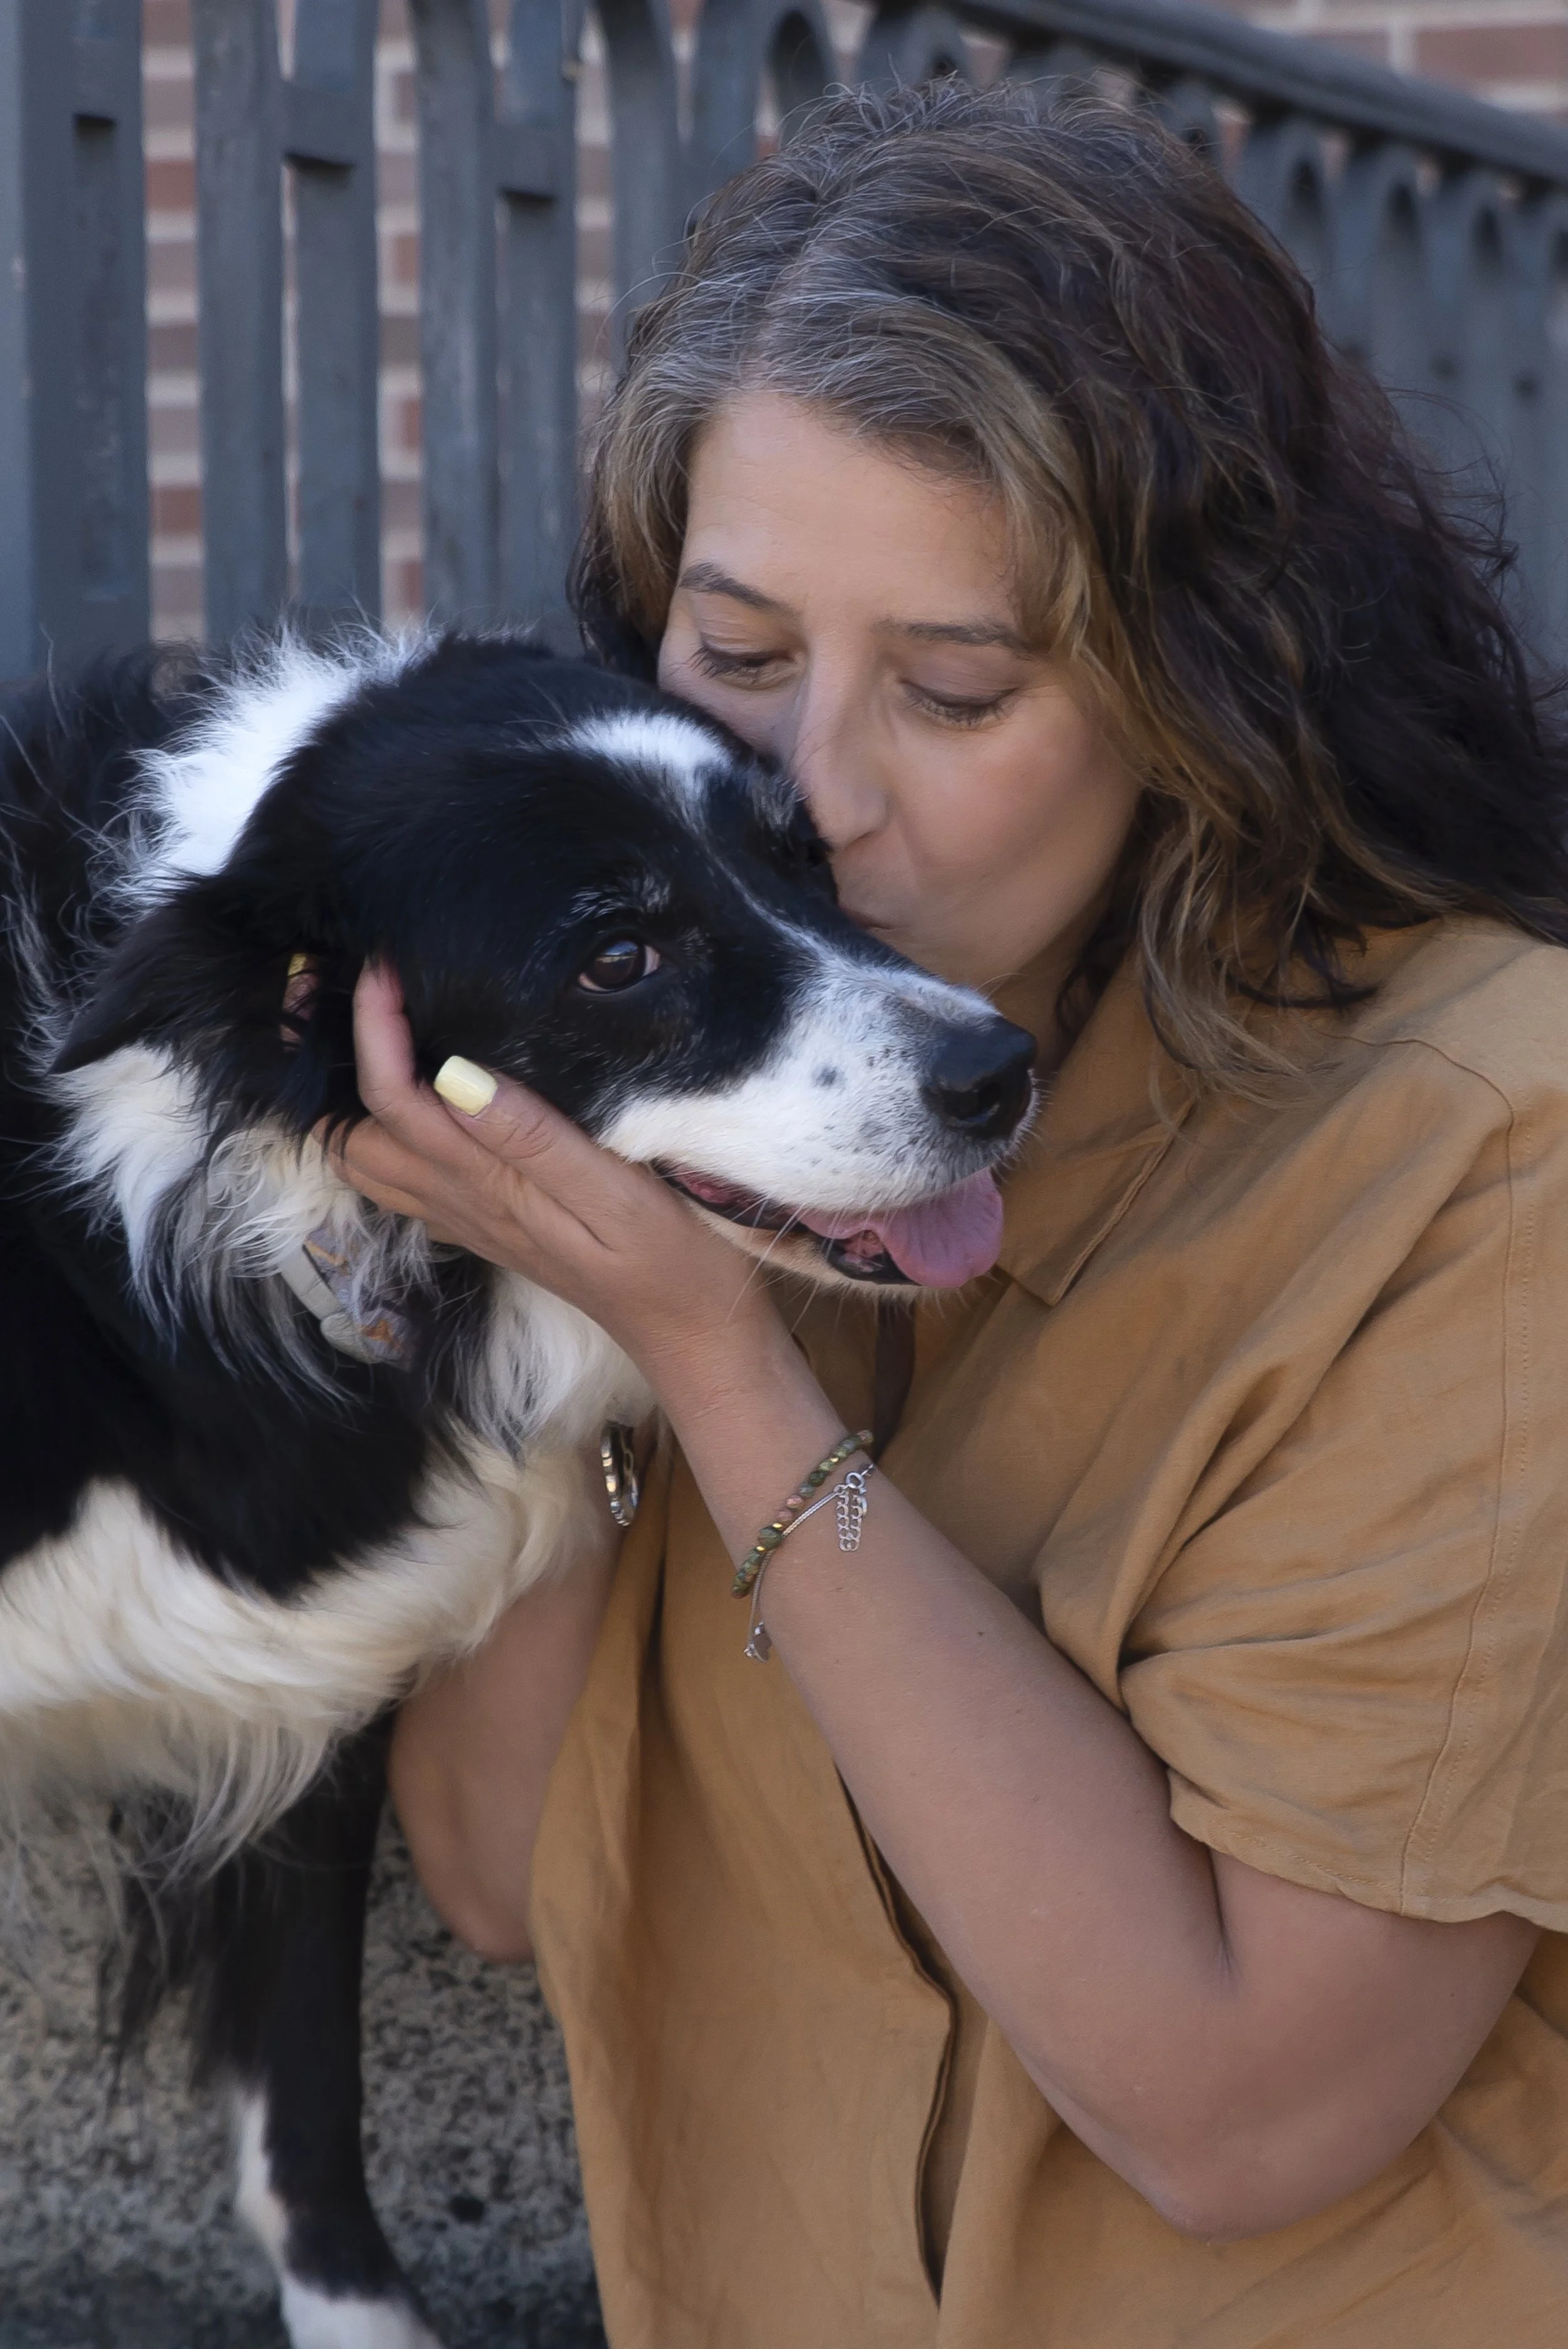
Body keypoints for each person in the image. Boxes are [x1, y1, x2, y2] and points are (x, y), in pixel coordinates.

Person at [341, 84, 1568, 2348]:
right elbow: (501, 1868)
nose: (810, 792)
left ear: (1208, 694)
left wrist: (719, 1372)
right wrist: (554, 1305)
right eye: (729, 655)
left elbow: (1243, 2112)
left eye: (956, 685)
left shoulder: (1499, 1153)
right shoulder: (693, 1140)